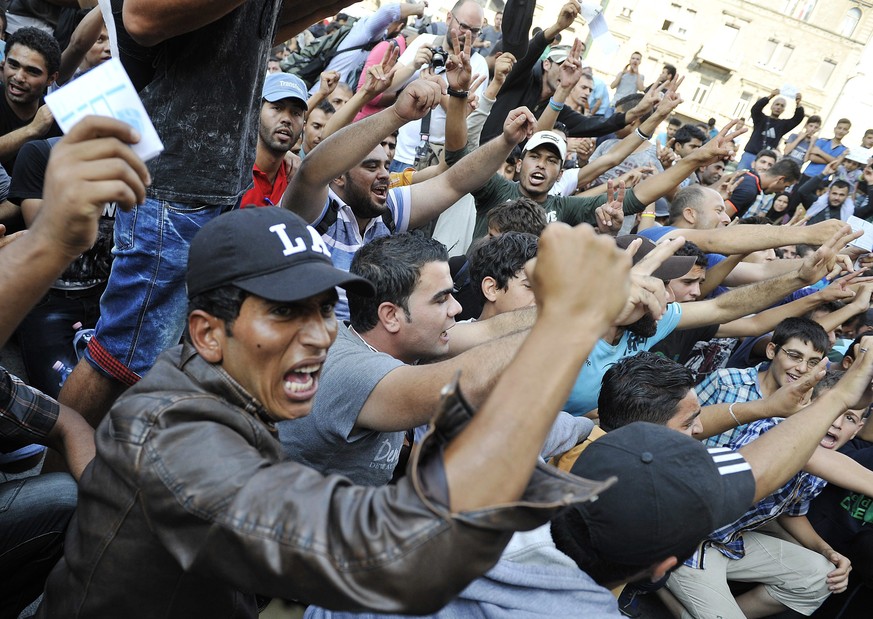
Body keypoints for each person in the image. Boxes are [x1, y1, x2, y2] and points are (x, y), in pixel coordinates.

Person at [39, 201, 634, 618]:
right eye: (285, 313)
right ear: (209, 333)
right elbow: (394, 557)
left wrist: (68, 424)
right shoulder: (177, 439)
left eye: (325, 309)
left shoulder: (215, 389)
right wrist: (566, 327)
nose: (321, 336)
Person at [57, 0, 357, 426]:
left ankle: (107, 470)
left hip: (210, 187)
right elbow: (142, 17)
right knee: (123, 355)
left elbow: (257, 31)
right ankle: (57, 476)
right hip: (174, 187)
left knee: (166, 358)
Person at [279, 233, 545, 486]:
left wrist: (566, 308)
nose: (457, 308)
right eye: (441, 299)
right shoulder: (351, 372)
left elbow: (491, 330)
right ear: (391, 316)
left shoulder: (401, 342)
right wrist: (567, 320)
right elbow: (471, 382)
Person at [284, 75, 539, 319]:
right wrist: (397, 114)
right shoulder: (316, 212)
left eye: (386, 165)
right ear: (338, 176)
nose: (385, 175)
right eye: (371, 167)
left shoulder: (387, 211)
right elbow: (311, 172)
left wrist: (506, 141)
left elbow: (453, 183)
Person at [239, 72, 308, 208]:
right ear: (256, 111)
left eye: (296, 113)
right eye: (277, 108)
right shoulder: (231, 173)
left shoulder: (297, 180)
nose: (286, 119)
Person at [0, 26, 62, 175]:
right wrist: (32, 130)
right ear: (3, 63)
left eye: (32, 71)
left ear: (51, 79)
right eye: (13, 65)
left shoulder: (57, 116)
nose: (19, 77)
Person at [737, 89, 804, 171]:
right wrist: (770, 96)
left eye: (782, 106)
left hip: (766, 160)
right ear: (772, 106)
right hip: (750, 155)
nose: (778, 107)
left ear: (783, 110)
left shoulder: (783, 125)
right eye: (777, 104)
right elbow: (755, 109)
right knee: (737, 177)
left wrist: (798, 103)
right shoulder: (761, 119)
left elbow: (797, 119)